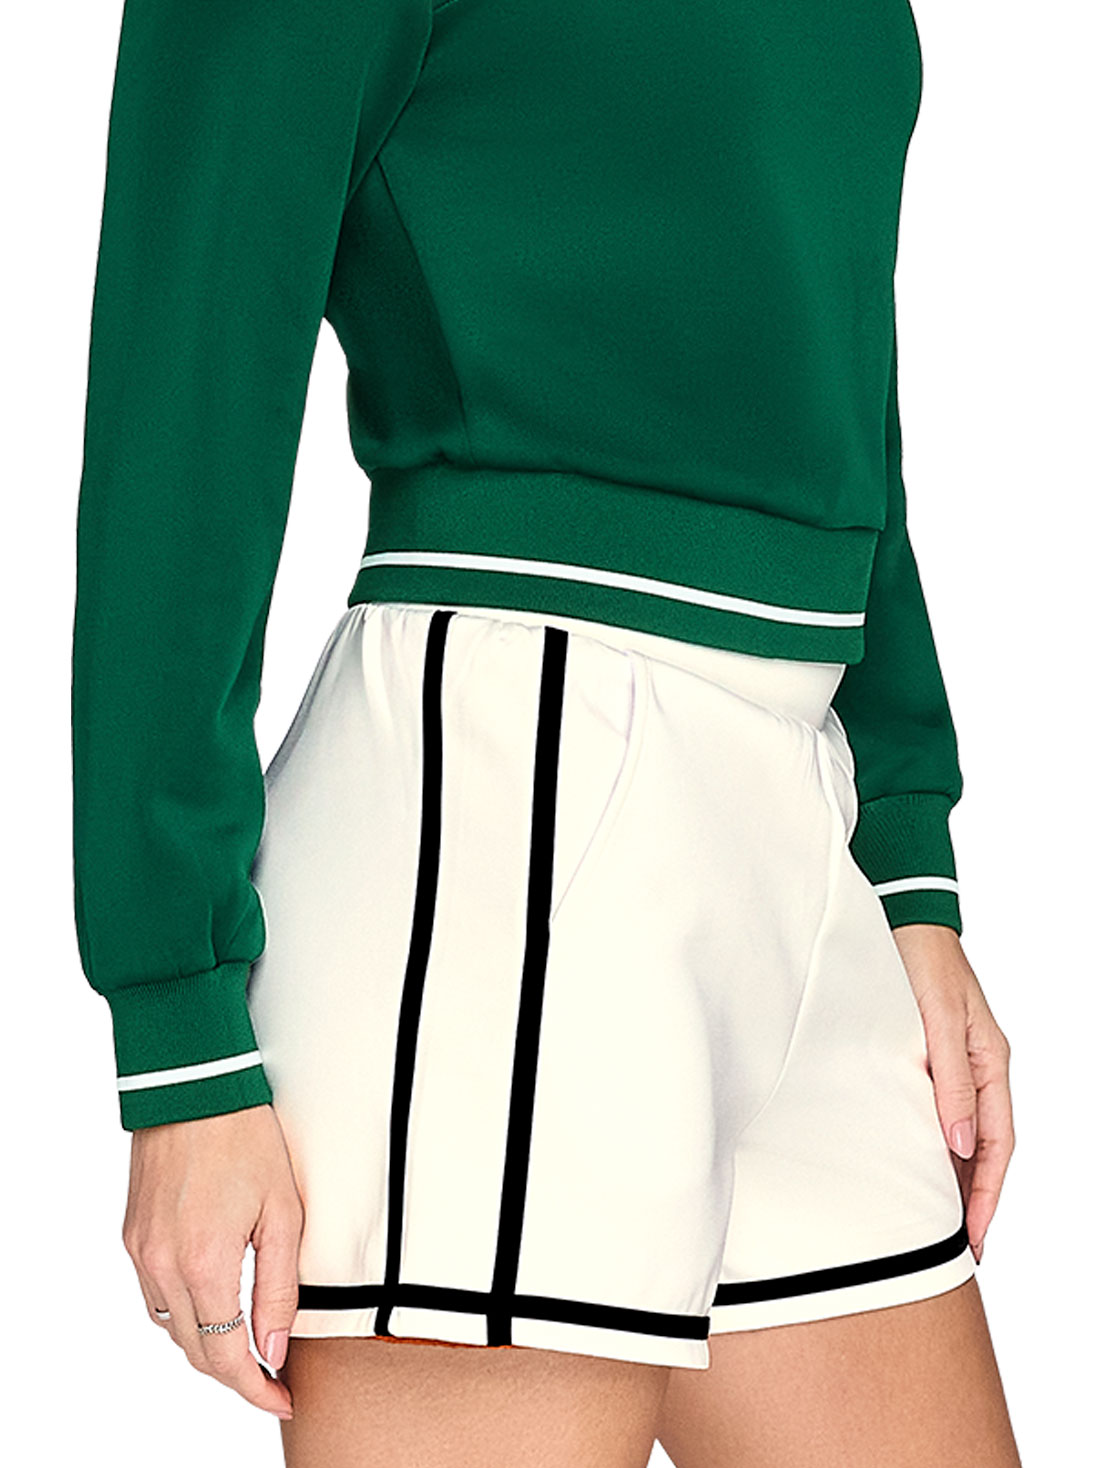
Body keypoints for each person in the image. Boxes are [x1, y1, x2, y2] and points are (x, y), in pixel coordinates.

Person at [71, 1, 1021, 1463]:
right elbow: (183, 403)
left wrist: (906, 858)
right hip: (518, 822)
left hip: (798, 832)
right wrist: (177, 1030)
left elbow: (834, 368)